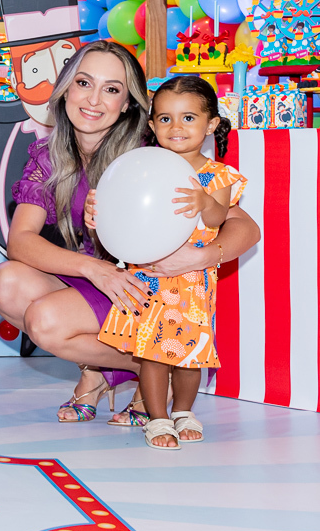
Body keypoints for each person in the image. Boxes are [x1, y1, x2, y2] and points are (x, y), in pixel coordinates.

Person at [0, 42, 262, 424]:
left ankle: (138, 370)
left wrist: (201, 257)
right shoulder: (50, 154)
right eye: (84, 82)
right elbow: (20, 241)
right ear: (65, 88)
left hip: (148, 287)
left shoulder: (154, 148)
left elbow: (246, 227)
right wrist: (95, 269)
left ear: (129, 103)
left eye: (112, 88)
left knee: (46, 321)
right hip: (102, 277)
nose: (94, 99)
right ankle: (143, 368)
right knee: (7, 283)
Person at [91, 76, 249, 449]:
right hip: (151, 277)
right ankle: (157, 417)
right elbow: (123, 216)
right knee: (152, 354)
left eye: (188, 118)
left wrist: (205, 201)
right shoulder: (142, 168)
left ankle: (183, 411)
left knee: (191, 354)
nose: (176, 127)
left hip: (192, 280)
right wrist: (97, 211)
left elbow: (217, 219)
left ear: (210, 124)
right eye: (165, 118)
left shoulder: (218, 175)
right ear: (152, 124)